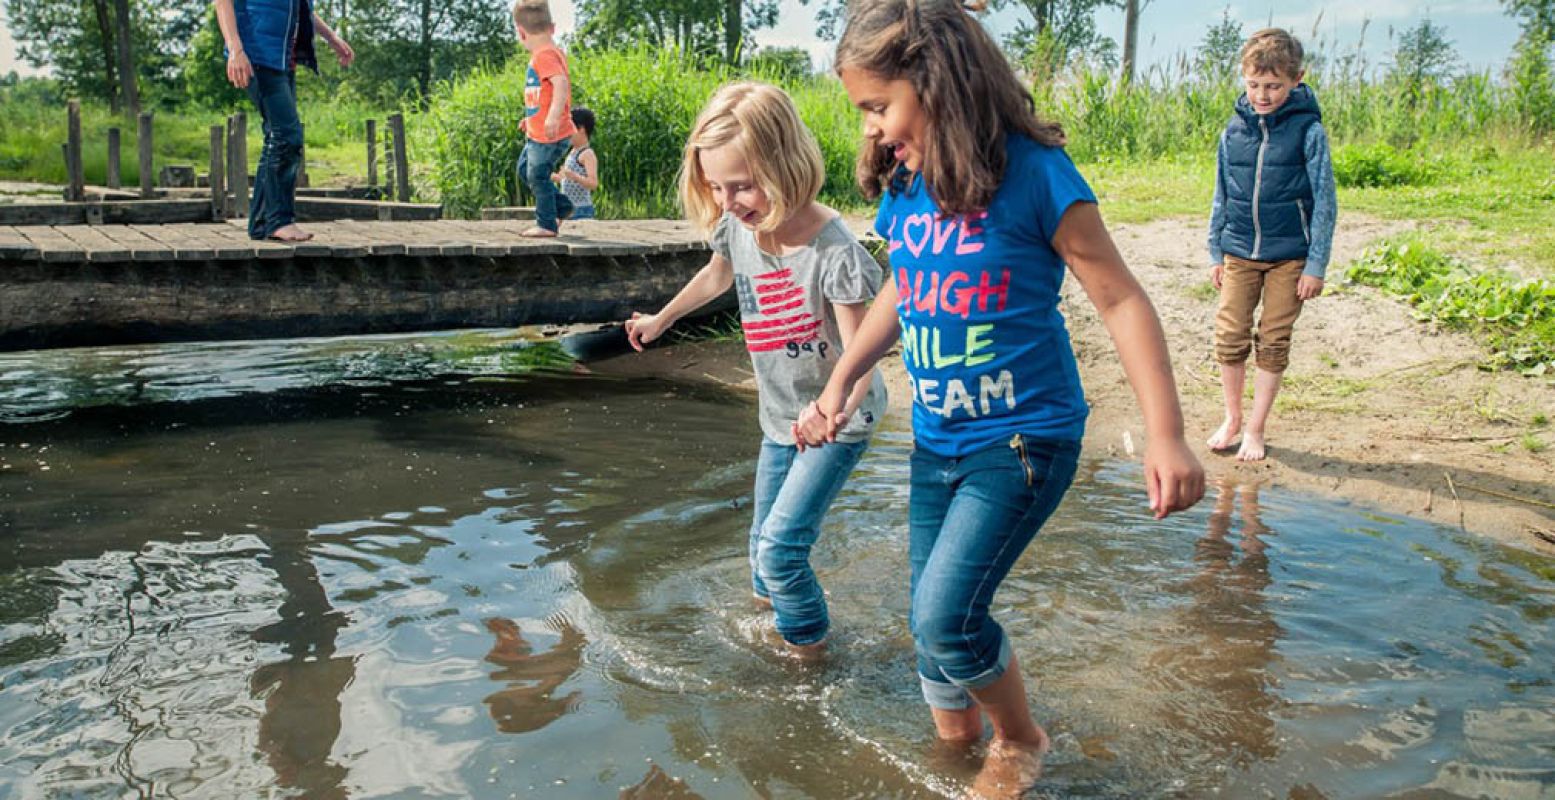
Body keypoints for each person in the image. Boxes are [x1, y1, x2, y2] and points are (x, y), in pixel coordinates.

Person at [794, 1, 1204, 794]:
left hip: (1022, 440)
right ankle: (951, 750)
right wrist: (842, 379)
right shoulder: (909, 183)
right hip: (936, 441)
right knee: (929, 625)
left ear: (936, 79)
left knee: (944, 616)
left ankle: (1020, 737)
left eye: (879, 106)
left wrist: (1166, 434)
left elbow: (1120, 299)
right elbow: (902, 289)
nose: (873, 130)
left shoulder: (1035, 174)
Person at [624, 82, 888, 657]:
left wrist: (831, 412)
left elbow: (863, 352)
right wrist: (663, 319)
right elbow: (718, 276)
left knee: (781, 549)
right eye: (715, 187)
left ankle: (810, 659)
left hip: (839, 416)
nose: (727, 201)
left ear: (785, 164)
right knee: (759, 554)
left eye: (741, 185)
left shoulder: (834, 251)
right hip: (780, 413)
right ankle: (773, 626)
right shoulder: (739, 227)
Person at [1205, 28, 1338, 461]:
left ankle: (1257, 428)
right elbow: (1221, 193)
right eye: (1254, 85)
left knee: (1274, 339)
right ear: (1244, 79)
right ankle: (1232, 418)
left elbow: (1324, 202)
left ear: (1296, 80)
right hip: (1239, 251)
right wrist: (1215, 251)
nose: (1262, 95)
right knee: (1229, 336)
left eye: (1274, 86)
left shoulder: (1309, 131)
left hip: (1290, 258)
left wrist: (1316, 263)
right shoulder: (1233, 131)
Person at [215, 0, 354, 243]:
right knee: (286, 136)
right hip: (256, 54)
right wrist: (235, 50)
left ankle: (262, 223)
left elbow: (303, 9)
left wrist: (331, 38)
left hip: (280, 59)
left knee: (277, 136)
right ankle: (278, 220)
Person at [512, 0, 576, 238]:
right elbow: (542, 95)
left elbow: (560, 85)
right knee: (524, 170)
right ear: (553, 27)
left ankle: (547, 223)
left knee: (537, 175)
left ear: (521, 32)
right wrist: (531, 119)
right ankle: (561, 207)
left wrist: (552, 117)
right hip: (538, 132)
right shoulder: (547, 53)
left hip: (549, 135)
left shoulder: (545, 55)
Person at [552, 107, 599, 220]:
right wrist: (552, 176)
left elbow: (593, 183)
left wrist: (575, 176)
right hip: (569, 208)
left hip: (581, 210)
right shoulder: (572, 152)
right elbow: (564, 179)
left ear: (581, 129)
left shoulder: (587, 154)